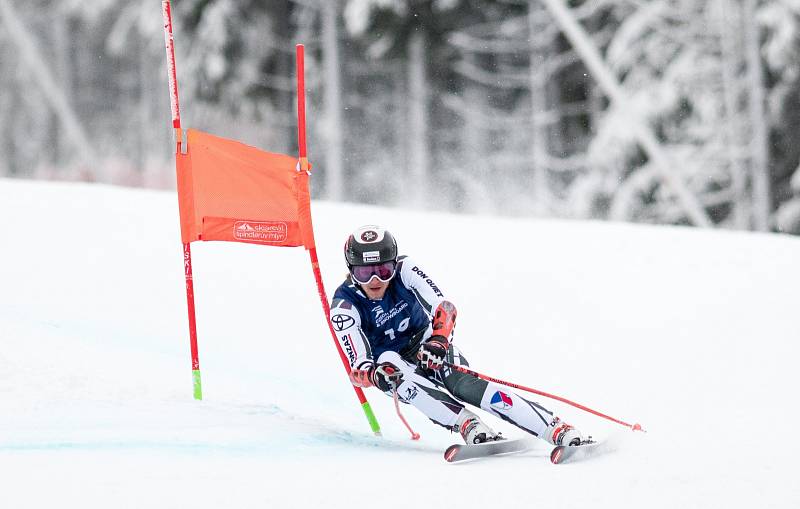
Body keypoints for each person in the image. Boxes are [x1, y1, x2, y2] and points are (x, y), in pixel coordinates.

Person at [330, 225, 584, 446]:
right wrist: (375, 376)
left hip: (426, 344)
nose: (375, 279)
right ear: (352, 271)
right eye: (365, 272)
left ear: (394, 266)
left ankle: (554, 428)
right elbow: (358, 369)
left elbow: (445, 308)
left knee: (462, 384)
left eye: (384, 270)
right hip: (393, 368)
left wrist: (439, 340)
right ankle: (466, 424)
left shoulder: (406, 269)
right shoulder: (345, 306)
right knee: (391, 364)